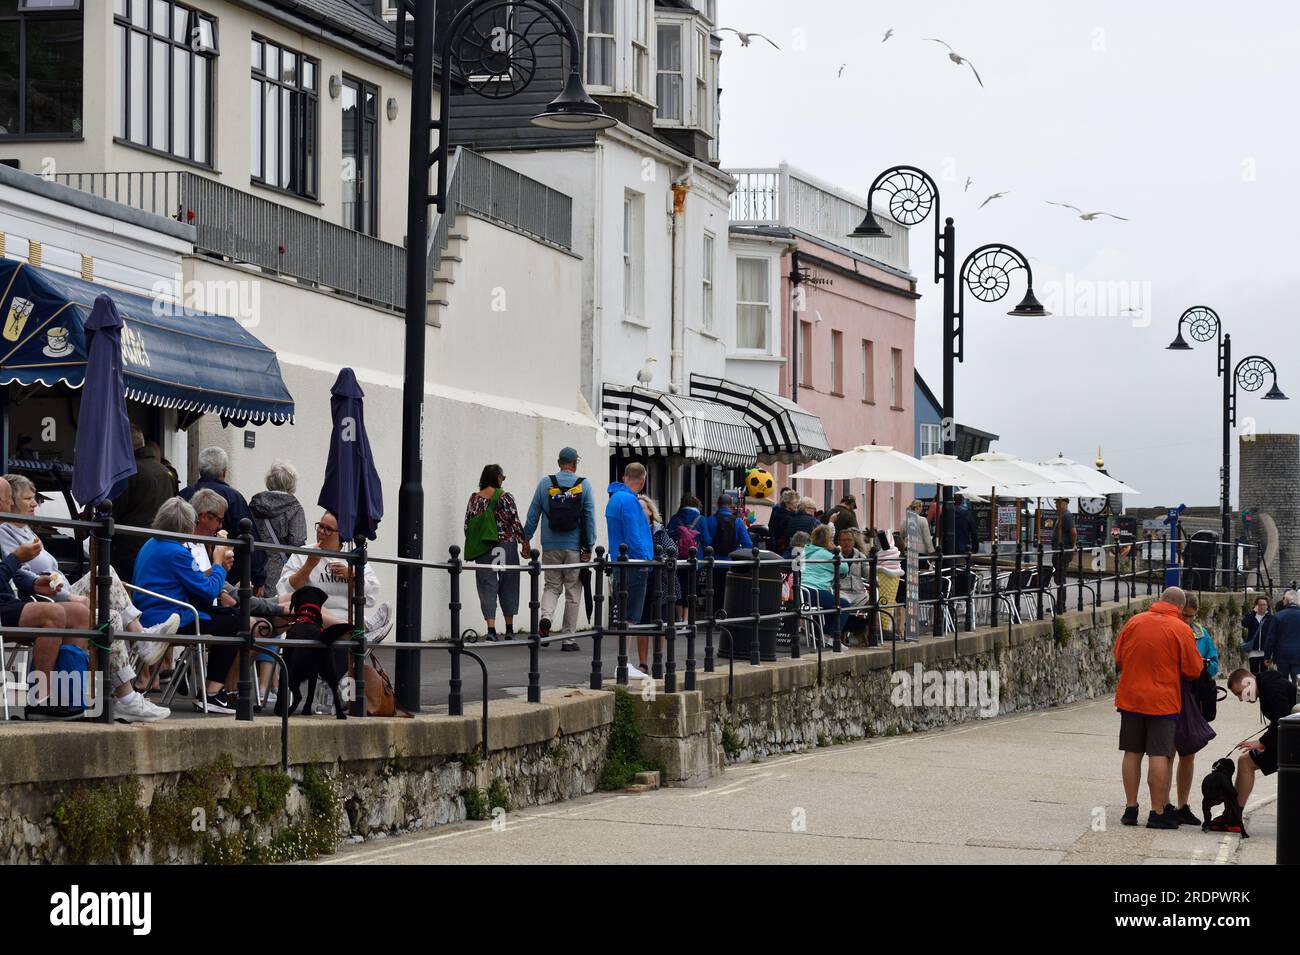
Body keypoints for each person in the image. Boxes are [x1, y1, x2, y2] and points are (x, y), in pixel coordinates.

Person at [132, 497, 246, 714]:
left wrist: (217, 570)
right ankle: (212, 693)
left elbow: (192, 582)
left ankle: (200, 681)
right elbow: (209, 591)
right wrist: (218, 563)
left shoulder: (151, 544)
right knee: (235, 621)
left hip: (150, 614)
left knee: (226, 617)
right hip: (171, 618)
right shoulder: (177, 552)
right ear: (186, 525)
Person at [1112, 586, 1206, 829]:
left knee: (1131, 752)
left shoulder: (1134, 621)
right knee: (1158, 754)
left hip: (1131, 698)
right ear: (1179, 607)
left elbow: (1118, 657)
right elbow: (1193, 670)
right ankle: (1157, 812)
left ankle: (1130, 809)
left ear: (1159, 600)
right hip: (1163, 702)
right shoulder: (1181, 629)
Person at [522, 447, 595, 652]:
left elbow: (533, 513)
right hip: (573, 548)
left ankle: (546, 618)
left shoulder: (545, 483)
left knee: (551, 586)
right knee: (573, 591)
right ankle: (567, 639)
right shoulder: (584, 485)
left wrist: (526, 539)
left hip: (550, 545)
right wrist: (589, 546)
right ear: (574, 463)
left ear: (559, 462)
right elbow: (589, 518)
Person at [180, 446, 266, 592]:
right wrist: (259, 579)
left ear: (200, 471)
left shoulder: (183, 495)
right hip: (228, 576)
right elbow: (249, 537)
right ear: (224, 472)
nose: (219, 526)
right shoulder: (234, 498)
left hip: (186, 572)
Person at [463, 464, 526, 641]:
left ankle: (491, 630)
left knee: (487, 586)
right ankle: (509, 629)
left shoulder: (474, 499)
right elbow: (515, 522)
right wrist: (524, 543)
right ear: (497, 478)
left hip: (484, 547)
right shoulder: (506, 497)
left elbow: (467, 525)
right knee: (509, 584)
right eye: (502, 477)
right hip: (505, 545)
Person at [1226, 665, 1297, 820]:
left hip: (1292, 740)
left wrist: (1262, 742)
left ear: (1248, 682)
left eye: (1239, 693)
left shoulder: (1271, 688)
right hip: (1289, 737)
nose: (1240, 699)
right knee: (1245, 761)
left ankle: (1233, 816)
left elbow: (1282, 720)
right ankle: (1233, 813)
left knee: (1246, 762)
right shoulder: (1267, 685)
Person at [1172, 592, 1220, 826]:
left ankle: (1182, 804)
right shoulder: (1170, 629)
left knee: (1188, 753)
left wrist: (1205, 668)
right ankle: (1163, 805)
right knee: (1166, 751)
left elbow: (1215, 663)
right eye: (1185, 616)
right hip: (1172, 693)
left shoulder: (1202, 634)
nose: (1188, 621)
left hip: (1194, 696)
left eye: (1191, 617)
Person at [109, 425, 176, 582]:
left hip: (129, 550)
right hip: (159, 546)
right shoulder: (166, 472)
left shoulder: (127, 472)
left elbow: (113, 511)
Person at [605, 463, 653, 663]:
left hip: (619, 562)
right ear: (642, 481)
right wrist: (645, 561)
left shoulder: (614, 499)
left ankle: (623, 663)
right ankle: (623, 664)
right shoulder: (630, 501)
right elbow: (634, 535)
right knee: (631, 617)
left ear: (624, 477)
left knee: (623, 616)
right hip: (634, 564)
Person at [635, 494, 679, 676]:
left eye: (642, 508)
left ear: (650, 512)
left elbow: (673, 552)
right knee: (642, 623)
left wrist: (657, 560)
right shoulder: (634, 530)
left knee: (660, 623)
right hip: (640, 581)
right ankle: (643, 663)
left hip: (660, 582)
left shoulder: (659, 531)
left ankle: (658, 660)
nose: (638, 511)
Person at [250, 460, 307, 598]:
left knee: (255, 609)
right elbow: (297, 543)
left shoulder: (255, 504)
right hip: (281, 568)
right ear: (291, 483)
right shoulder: (295, 508)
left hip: (254, 565)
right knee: (278, 608)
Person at [800, 524, 850, 643]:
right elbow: (844, 568)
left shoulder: (805, 550)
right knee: (844, 605)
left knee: (831, 603)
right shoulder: (825, 554)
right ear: (828, 541)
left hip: (801, 591)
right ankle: (831, 637)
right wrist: (836, 550)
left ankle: (822, 636)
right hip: (814, 591)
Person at [667, 492, 706, 622]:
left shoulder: (675, 519)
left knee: (678, 588)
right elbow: (707, 540)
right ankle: (686, 620)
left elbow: (668, 538)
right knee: (691, 589)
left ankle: (678, 618)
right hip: (694, 560)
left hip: (678, 560)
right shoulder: (701, 520)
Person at [1262, 589, 1300, 682]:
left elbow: (1271, 638)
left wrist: (1267, 656)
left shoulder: (1278, 616)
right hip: (1298, 654)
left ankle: (1285, 696)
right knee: (1298, 680)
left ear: (1286, 600)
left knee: (1283, 681)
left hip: (1282, 654)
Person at [1240, 595, 1272, 677]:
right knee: (1254, 674)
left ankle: (1263, 689)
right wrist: (1253, 612)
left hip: (1265, 651)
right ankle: (1255, 689)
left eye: (1264, 604)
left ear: (1267, 606)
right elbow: (1244, 623)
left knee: (1265, 674)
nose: (1262, 607)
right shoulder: (1251, 616)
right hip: (1253, 650)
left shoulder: (1270, 618)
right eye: (1260, 604)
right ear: (1256, 605)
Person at [1051, 498, 1076, 592]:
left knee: (1060, 578)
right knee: (1058, 578)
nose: (1056, 505)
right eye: (1056, 503)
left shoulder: (1066, 515)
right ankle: (1060, 603)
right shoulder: (1061, 515)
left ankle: (1061, 604)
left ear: (1065, 503)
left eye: (1059, 502)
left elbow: (1073, 532)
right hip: (1059, 551)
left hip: (1063, 552)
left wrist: (1073, 546)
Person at [768, 489, 799, 556]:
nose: (797, 505)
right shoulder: (784, 517)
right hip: (782, 548)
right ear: (787, 503)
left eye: (797, 502)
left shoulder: (784, 513)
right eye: (795, 502)